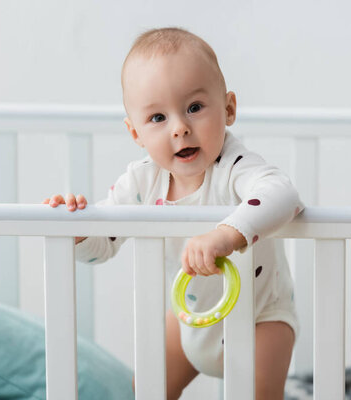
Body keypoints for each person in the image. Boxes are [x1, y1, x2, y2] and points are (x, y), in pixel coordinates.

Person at [44, 27, 303, 400]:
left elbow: (282, 195)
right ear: (135, 134)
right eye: (157, 118)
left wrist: (226, 234)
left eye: (194, 108)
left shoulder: (235, 166)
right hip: (186, 319)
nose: (180, 128)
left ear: (229, 109)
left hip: (259, 318)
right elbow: (104, 243)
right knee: (146, 389)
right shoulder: (142, 181)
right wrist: (79, 232)